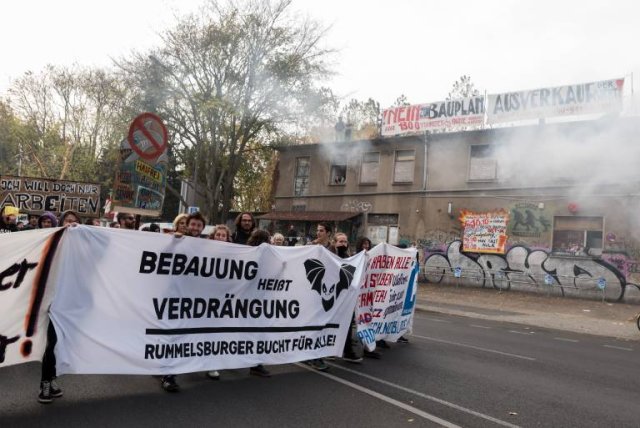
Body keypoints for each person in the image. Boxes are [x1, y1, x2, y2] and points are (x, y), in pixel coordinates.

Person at [38, 210, 79, 403]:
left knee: (62, 345)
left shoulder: (84, 246)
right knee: (52, 343)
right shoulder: (52, 242)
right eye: (67, 221)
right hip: (54, 302)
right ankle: (45, 383)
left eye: (74, 221)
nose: (70, 224)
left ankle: (52, 379)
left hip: (73, 303)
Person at [246, 229, 272, 377]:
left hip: (256, 300)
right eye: (268, 239)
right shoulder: (255, 254)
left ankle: (255, 363)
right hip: (255, 301)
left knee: (255, 334)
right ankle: (255, 363)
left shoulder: (268, 254)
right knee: (256, 334)